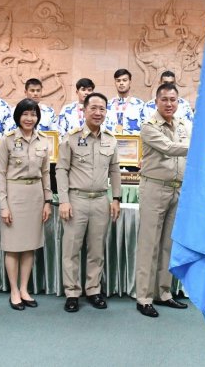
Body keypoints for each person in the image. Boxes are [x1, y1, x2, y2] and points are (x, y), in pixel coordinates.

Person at [57, 92, 122, 313]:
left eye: (102, 108)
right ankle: (72, 292)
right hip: (76, 200)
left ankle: (93, 290)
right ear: (84, 110)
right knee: (72, 249)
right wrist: (63, 201)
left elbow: (114, 171)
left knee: (96, 250)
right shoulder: (71, 138)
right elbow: (61, 170)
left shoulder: (111, 139)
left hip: (100, 201)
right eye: (93, 108)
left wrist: (116, 198)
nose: (98, 112)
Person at [135, 83, 190, 318]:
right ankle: (144, 297)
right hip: (154, 188)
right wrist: (201, 147)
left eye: (173, 100)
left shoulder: (183, 124)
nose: (169, 104)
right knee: (150, 244)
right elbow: (168, 148)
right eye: (165, 99)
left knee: (169, 244)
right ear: (156, 101)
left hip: (178, 190)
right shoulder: (149, 126)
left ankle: (164, 292)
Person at [0, 98, 52, 311]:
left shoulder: (43, 140)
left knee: (29, 245)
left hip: (35, 196)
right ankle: (13, 291)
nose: (30, 118)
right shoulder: (7, 140)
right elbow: (0, 174)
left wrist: (48, 201)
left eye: (33, 114)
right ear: (18, 116)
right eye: (25, 114)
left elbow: (46, 172)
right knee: (13, 247)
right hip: (14, 195)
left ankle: (24, 288)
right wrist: (4, 205)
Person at [104, 69, 145, 135]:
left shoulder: (140, 104)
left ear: (130, 82)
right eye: (118, 80)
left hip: (133, 143)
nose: (121, 83)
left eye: (124, 80)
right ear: (115, 82)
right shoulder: (107, 105)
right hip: (111, 142)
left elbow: (145, 127)